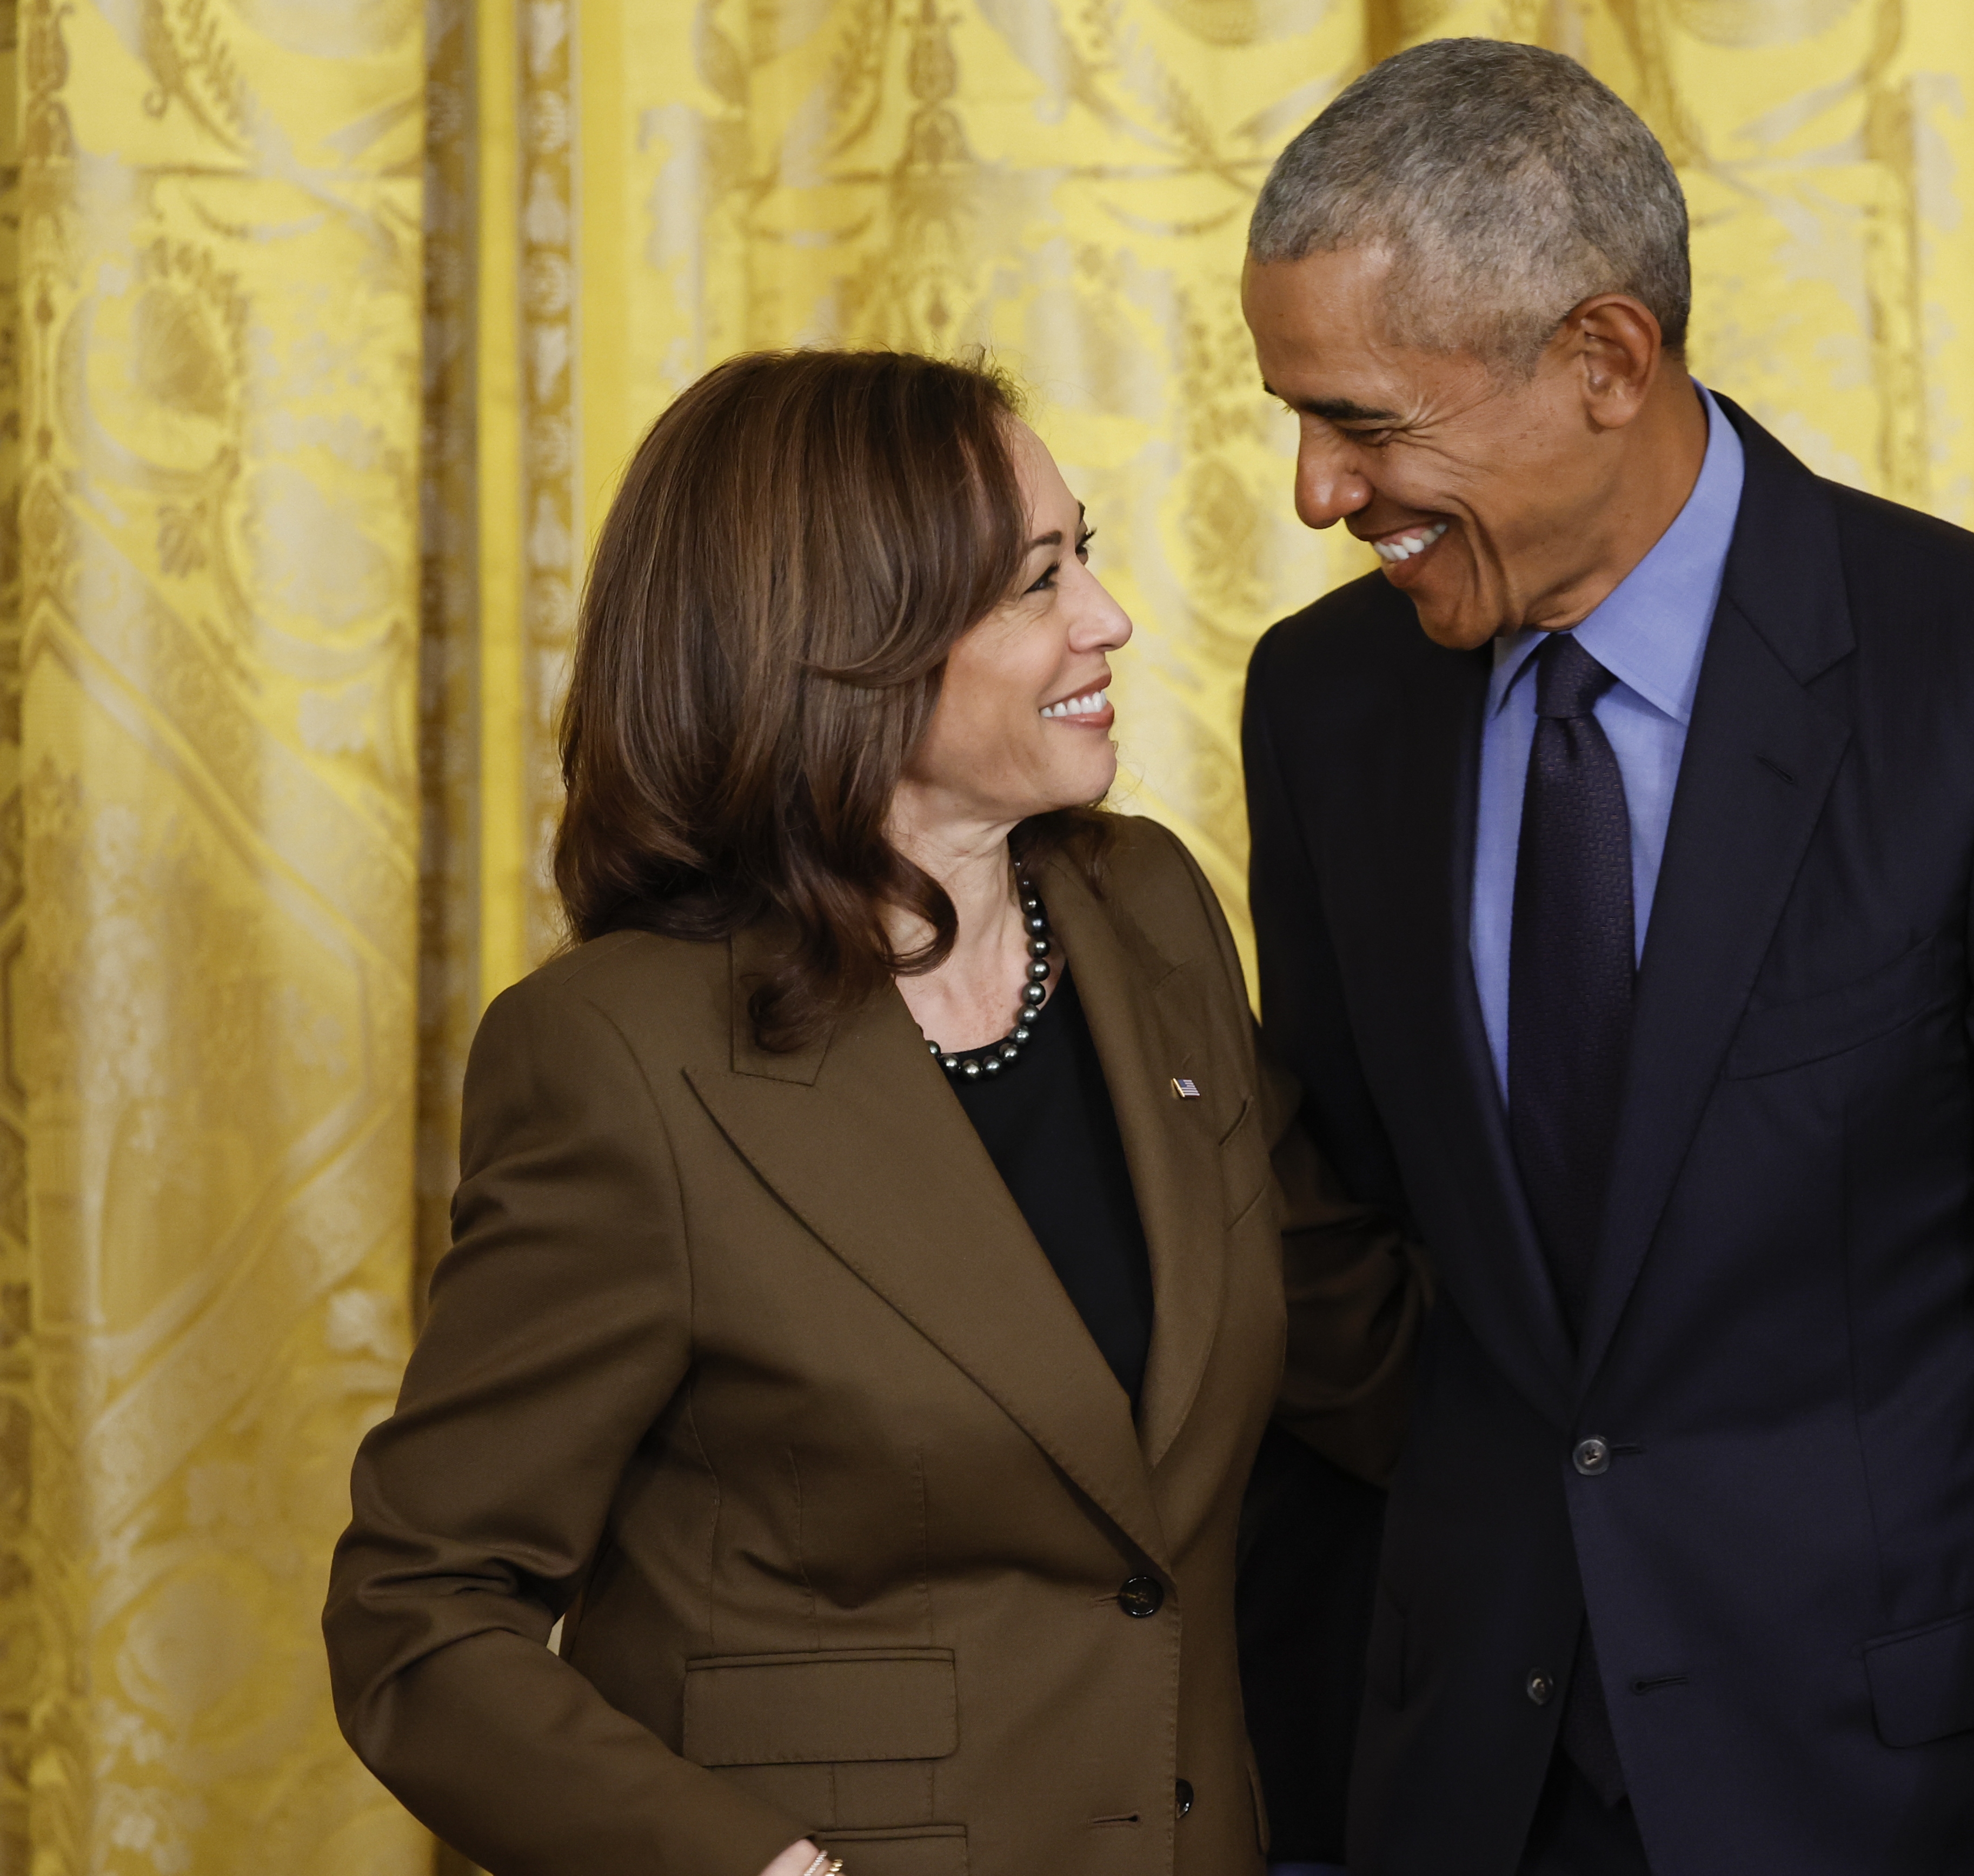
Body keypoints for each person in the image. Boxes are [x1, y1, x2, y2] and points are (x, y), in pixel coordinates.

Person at [1235, 38, 1974, 1876]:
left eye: (1366, 421)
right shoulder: (1325, 708)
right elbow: (1356, 1295)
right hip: (1474, 1797)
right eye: (1297, 419)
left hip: (1909, 1801)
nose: (1320, 493)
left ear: (1603, 360)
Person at [324, 348, 1419, 1876]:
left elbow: (1347, 1340)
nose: (1107, 618)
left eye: (1084, 553)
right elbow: (417, 1615)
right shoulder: (614, 1058)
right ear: (844, 645)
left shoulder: (1148, 910)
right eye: (1036, 582)